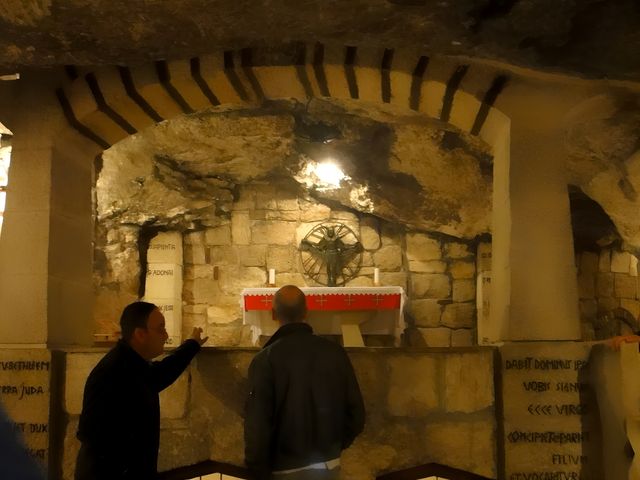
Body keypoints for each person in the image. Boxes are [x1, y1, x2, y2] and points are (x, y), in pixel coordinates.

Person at [75, 301, 208, 480]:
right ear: (140, 334)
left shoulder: (131, 364)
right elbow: (99, 441)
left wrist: (192, 345)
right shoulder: (116, 371)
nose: (166, 335)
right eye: (160, 329)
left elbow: (161, 374)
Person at [244, 285, 365, 480]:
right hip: (329, 464)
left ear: (273, 314)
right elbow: (356, 414)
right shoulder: (335, 353)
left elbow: (258, 425)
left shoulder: (266, 359)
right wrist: (334, 446)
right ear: (306, 312)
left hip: (285, 467)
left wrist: (257, 470)